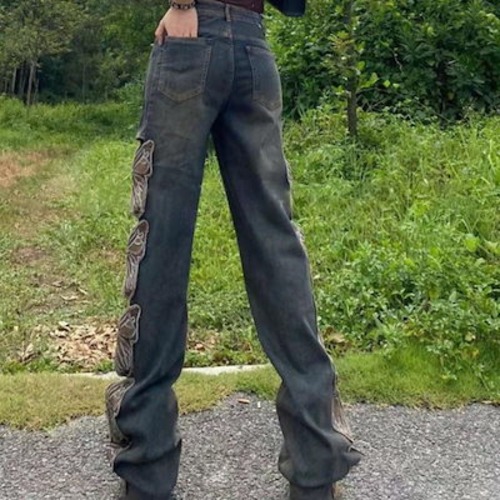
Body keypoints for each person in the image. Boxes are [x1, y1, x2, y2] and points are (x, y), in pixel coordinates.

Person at [104, 0, 362, 498]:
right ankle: (316, 466)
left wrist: (183, 4)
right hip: (253, 44)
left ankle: (147, 471)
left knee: (162, 242)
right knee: (276, 246)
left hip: (190, 40)